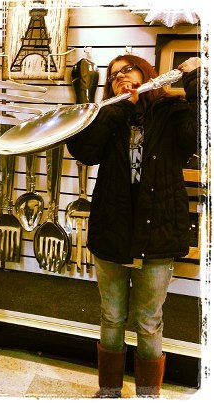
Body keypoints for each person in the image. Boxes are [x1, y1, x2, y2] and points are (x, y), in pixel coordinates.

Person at [66, 54, 200, 398]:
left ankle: (148, 394)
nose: (121, 77)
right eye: (113, 76)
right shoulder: (106, 116)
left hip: (157, 234)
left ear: (146, 72)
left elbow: (200, 137)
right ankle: (109, 391)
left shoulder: (171, 113)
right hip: (112, 233)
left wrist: (194, 79)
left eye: (128, 69)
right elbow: (84, 151)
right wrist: (119, 107)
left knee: (148, 320)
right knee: (111, 316)